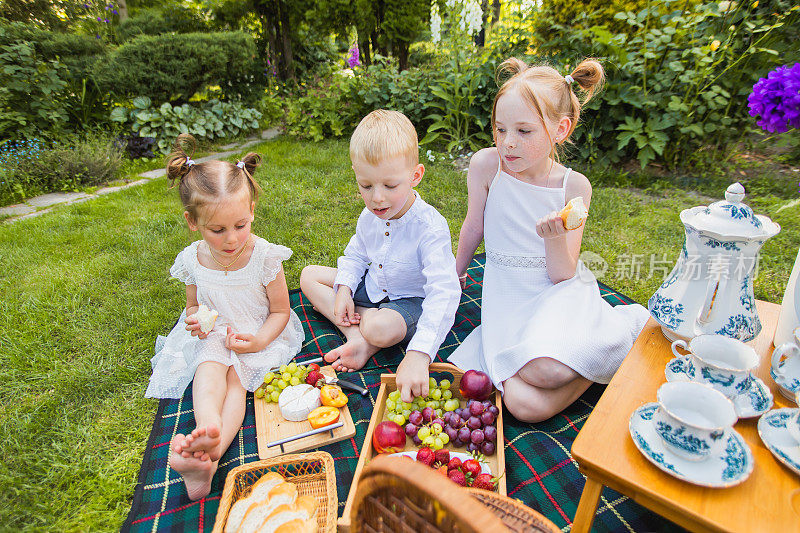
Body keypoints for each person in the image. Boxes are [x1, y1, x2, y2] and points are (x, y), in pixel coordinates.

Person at [449, 58, 649, 423]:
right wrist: (455, 273)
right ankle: (604, 363)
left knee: (547, 372)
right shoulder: (486, 166)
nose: (508, 143)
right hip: (509, 297)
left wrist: (554, 239)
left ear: (560, 129)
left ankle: (623, 331)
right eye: (500, 128)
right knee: (523, 406)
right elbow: (473, 226)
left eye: (524, 131)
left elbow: (562, 274)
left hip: (558, 293)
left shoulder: (572, 187)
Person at [145, 134, 304, 500]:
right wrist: (196, 320)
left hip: (258, 331)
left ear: (252, 211)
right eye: (217, 230)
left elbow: (281, 310)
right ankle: (209, 426)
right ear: (192, 221)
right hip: (215, 331)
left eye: (241, 225)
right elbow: (193, 305)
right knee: (209, 366)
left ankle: (212, 453)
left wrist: (262, 340)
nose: (232, 238)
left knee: (237, 380)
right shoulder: (192, 260)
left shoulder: (264, 256)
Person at [300, 110, 461, 403]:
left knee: (379, 327)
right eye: (366, 185)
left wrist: (419, 353)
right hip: (373, 287)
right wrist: (346, 289)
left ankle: (366, 333)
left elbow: (445, 291)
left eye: (389, 186)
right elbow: (356, 255)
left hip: (410, 301)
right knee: (309, 275)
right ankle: (358, 338)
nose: (377, 198)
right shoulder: (369, 216)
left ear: (415, 176)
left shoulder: (429, 227)